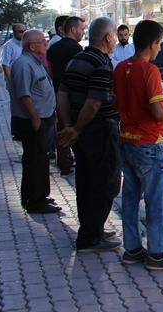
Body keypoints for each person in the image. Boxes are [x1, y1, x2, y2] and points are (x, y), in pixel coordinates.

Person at [113, 20, 163, 271]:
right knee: (155, 202)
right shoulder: (149, 70)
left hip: (127, 141)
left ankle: (132, 249)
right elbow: (156, 109)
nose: (160, 49)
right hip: (149, 144)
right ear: (153, 43)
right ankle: (156, 254)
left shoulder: (121, 68)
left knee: (130, 199)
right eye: (160, 44)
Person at [57, 17, 122, 253]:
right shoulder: (101, 64)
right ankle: (90, 237)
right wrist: (76, 128)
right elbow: (93, 103)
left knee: (86, 181)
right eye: (114, 35)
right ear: (107, 37)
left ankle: (92, 228)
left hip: (81, 130)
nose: (115, 39)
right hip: (99, 130)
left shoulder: (77, 59)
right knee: (106, 182)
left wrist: (68, 125)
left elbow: (62, 93)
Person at [11, 30, 60, 214]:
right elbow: (24, 96)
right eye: (42, 41)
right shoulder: (23, 65)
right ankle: (34, 200)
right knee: (34, 160)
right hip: (34, 122)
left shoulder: (35, 61)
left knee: (41, 159)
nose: (46, 44)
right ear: (32, 46)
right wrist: (35, 119)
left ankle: (40, 194)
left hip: (44, 118)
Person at [47, 15, 86, 176]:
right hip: (73, 96)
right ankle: (78, 160)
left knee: (62, 127)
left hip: (57, 92)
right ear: (73, 29)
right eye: (82, 29)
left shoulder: (53, 48)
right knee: (76, 129)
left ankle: (63, 163)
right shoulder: (76, 49)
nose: (83, 33)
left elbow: (49, 71)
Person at [1, 23, 26, 142]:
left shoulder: (24, 44)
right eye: (20, 31)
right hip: (14, 81)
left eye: (24, 31)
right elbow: (5, 64)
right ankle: (17, 132)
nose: (22, 33)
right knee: (16, 105)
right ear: (14, 32)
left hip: (23, 80)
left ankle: (22, 130)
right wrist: (11, 82)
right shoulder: (9, 46)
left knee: (24, 105)